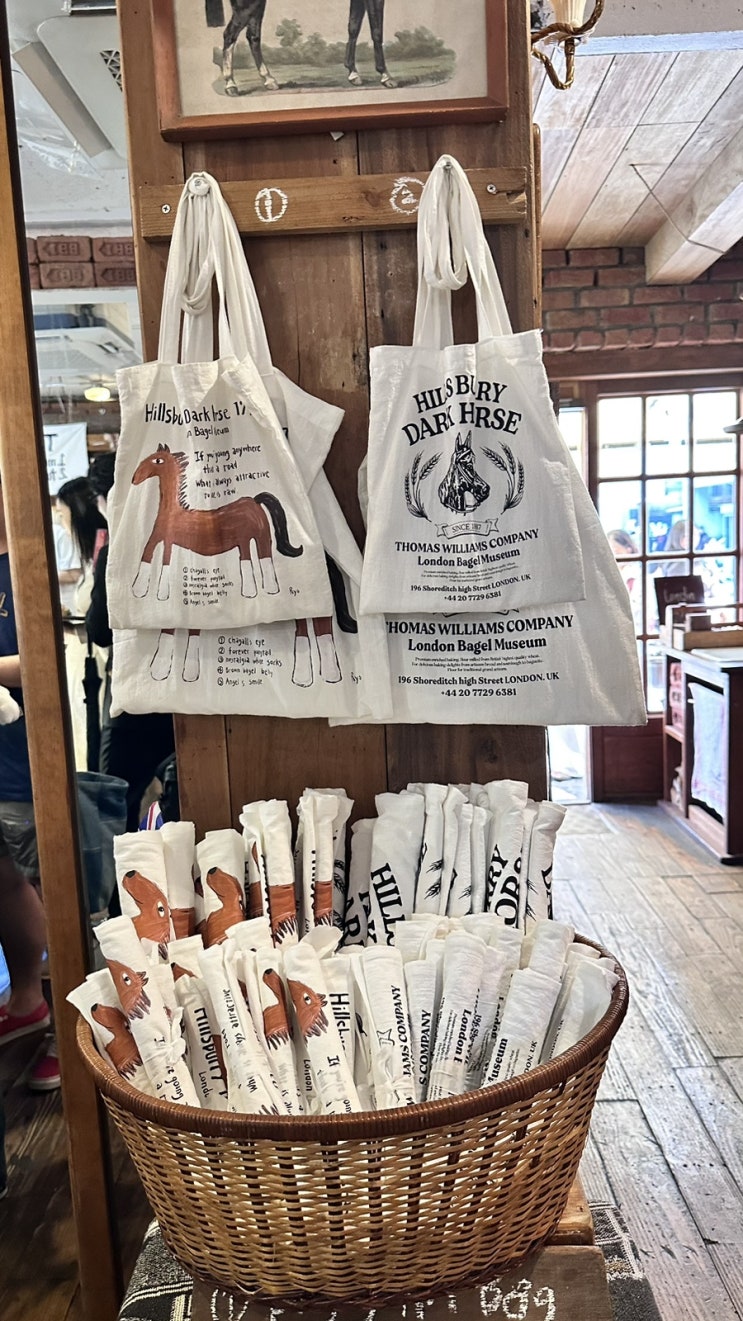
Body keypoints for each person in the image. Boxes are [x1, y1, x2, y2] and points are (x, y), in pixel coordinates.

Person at [0, 478, 59, 1090]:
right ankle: (26, 1001)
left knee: (55, 890)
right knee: (6, 884)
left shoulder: (25, 563)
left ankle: (72, 1033)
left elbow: (41, 659)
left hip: (22, 764)